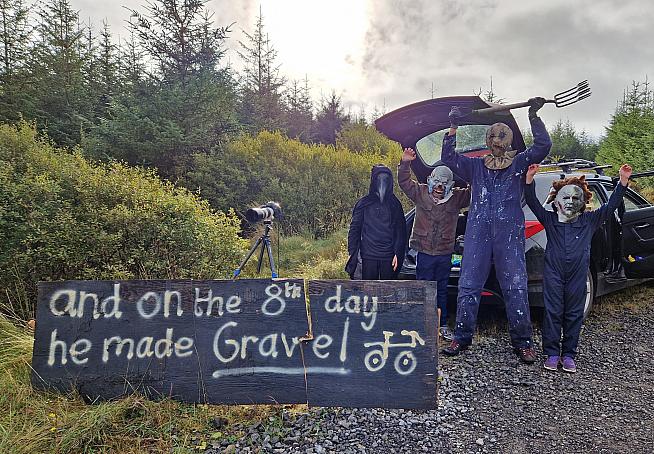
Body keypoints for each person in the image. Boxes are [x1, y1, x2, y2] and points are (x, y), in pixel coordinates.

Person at [442, 98, 551, 363]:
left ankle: (523, 342)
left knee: (516, 287)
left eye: (501, 137)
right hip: (478, 233)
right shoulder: (476, 166)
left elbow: (543, 146)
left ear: (509, 140)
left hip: (509, 235)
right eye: (493, 136)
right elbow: (448, 158)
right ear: (488, 140)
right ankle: (462, 337)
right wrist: (452, 127)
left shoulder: (519, 163)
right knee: (468, 285)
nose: (497, 140)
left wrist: (533, 116)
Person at [525, 163, 632, 372]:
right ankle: (552, 353)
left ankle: (569, 355)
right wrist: (529, 179)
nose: (570, 202)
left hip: (577, 275)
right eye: (566, 198)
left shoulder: (589, 221)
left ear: (583, 202)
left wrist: (622, 181)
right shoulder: (550, 219)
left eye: (575, 198)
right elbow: (532, 202)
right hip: (554, 273)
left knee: (574, 313)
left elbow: (610, 207)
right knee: (553, 312)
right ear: (556, 202)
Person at [397, 148, 471, 340]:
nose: (439, 187)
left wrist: (471, 172)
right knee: (423, 288)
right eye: (437, 182)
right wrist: (405, 163)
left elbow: (473, 192)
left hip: (444, 253)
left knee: (441, 289)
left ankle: (442, 324)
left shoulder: (456, 198)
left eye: (444, 184)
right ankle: (422, 323)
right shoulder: (420, 192)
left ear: (451, 185)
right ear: (430, 180)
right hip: (424, 252)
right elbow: (404, 182)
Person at [346, 164, 407, 279]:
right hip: (368, 255)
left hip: (388, 256)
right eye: (379, 179)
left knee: (387, 291)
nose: (382, 184)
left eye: (386, 180)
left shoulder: (394, 205)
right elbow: (355, 230)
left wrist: (398, 254)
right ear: (373, 181)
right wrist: (352, 253)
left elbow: (401, 233)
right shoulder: (364, 204)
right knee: (368, 291)